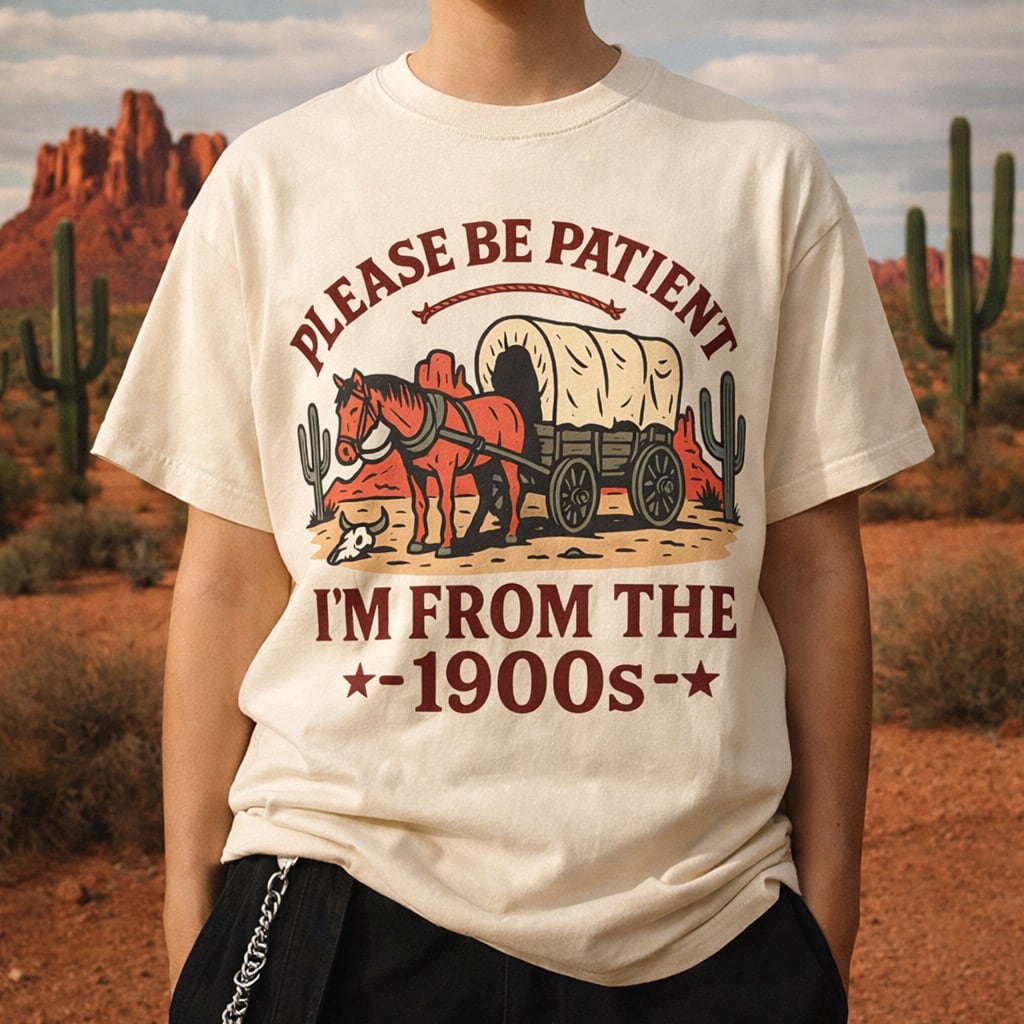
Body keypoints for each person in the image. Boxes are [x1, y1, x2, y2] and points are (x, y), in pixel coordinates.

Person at [94, 1, 933, 1020]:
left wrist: (824, 920)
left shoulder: (760, 174)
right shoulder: (271, 182)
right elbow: (228, 575)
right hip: (337, 892)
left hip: (699, 916)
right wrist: (194, 907)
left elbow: (813, 571)